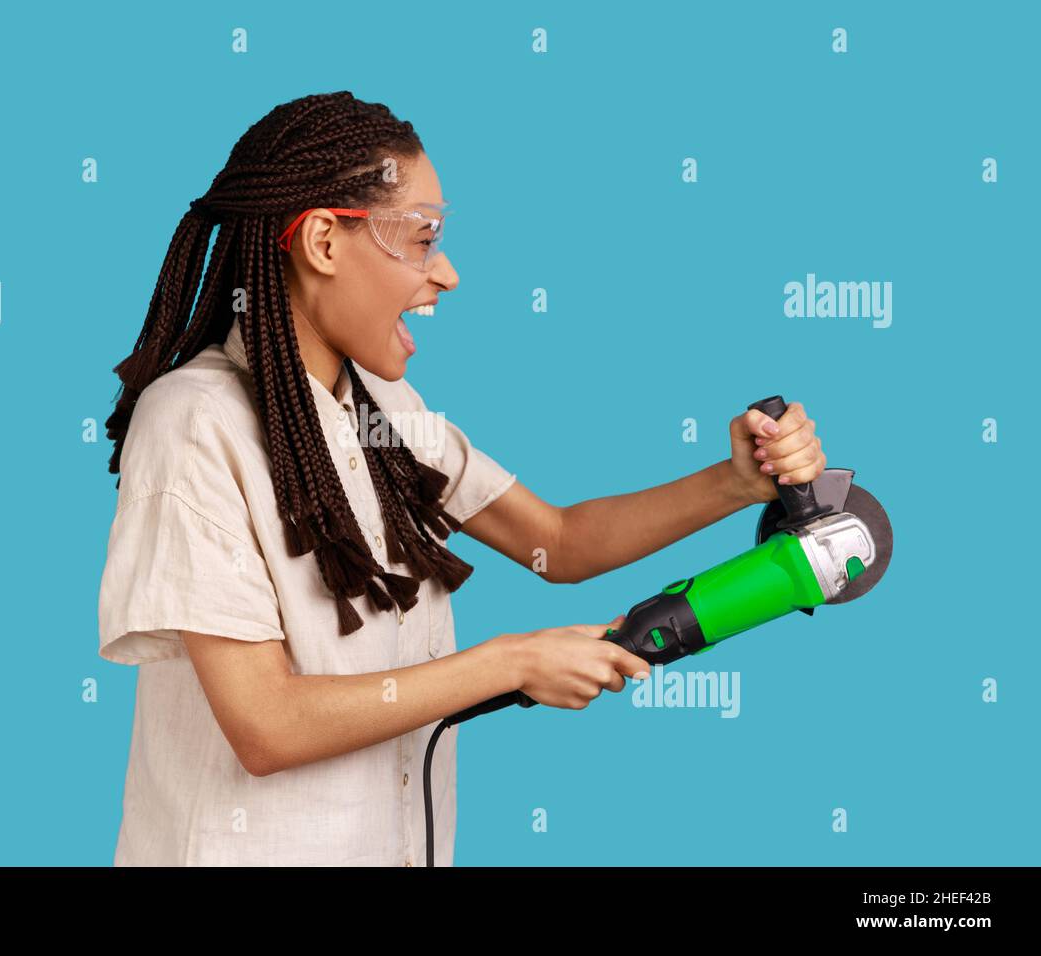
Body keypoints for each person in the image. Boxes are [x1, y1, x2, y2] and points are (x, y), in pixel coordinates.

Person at [96, 91, 827, 867]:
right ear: (323, 241)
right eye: (420, 238)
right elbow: (265, 725)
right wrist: (510, 663)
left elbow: (557, 543)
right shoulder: (195, 423)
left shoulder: (382, 410)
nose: (445, 272)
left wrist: (737, 482)